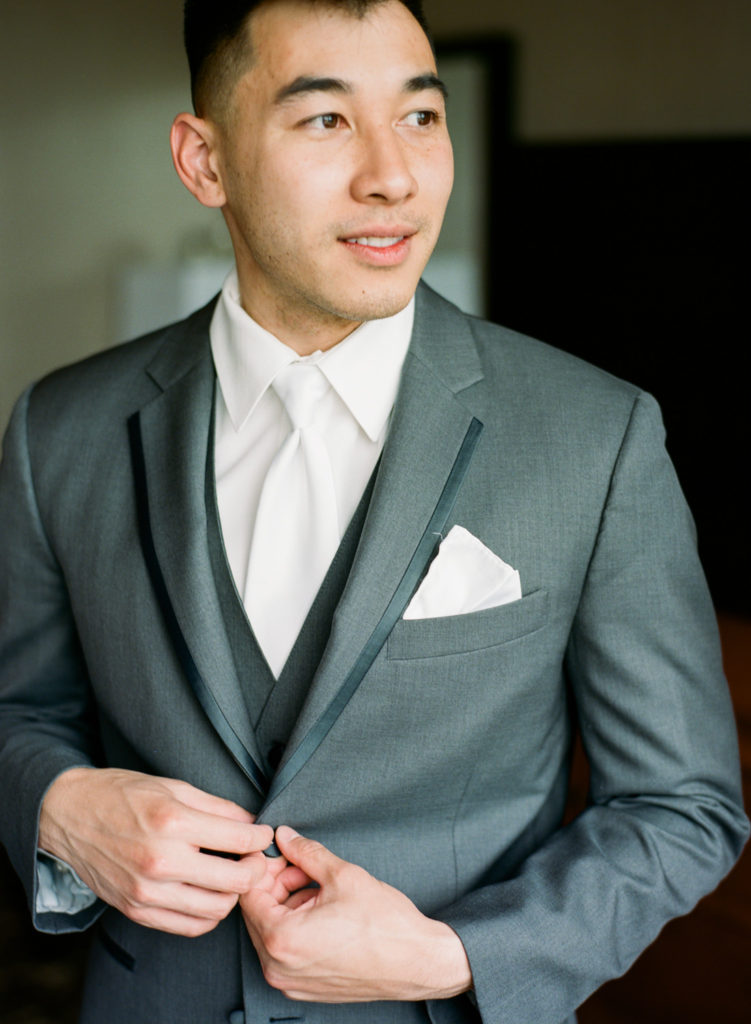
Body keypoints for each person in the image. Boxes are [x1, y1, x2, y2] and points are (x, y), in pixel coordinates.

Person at [0, 1, 747, 1022]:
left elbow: (681, 806)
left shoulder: (596, 435)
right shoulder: (60, 428)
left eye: (421, 116)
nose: (392, 175)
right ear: (203, 160)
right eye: (326, 120)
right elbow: (16, 708)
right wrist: (55, 803)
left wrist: (453, 955)